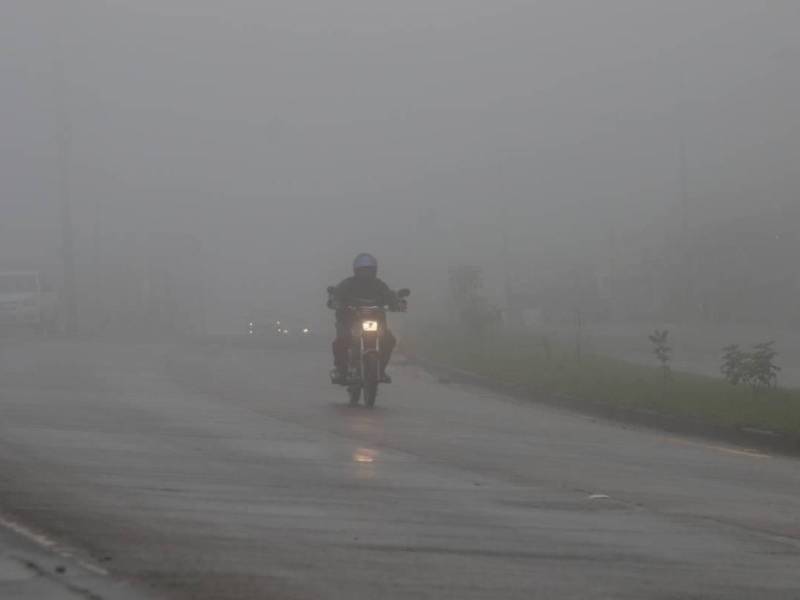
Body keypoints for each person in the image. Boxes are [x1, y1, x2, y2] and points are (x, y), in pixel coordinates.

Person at [328, 253, 403, 385]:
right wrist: (335, 302)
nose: (366, 273)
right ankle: (341, 370)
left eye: (369, 270)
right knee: (342, 340)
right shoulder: (347, 284)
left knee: (389, 339)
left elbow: (389, 296)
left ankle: (381, 370)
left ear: (374, 271)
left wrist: (397, 303)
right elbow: (337, 295)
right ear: (356, 271)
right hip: (349, 320)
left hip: (376, 321)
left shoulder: (379, 285)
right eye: (363, 270)